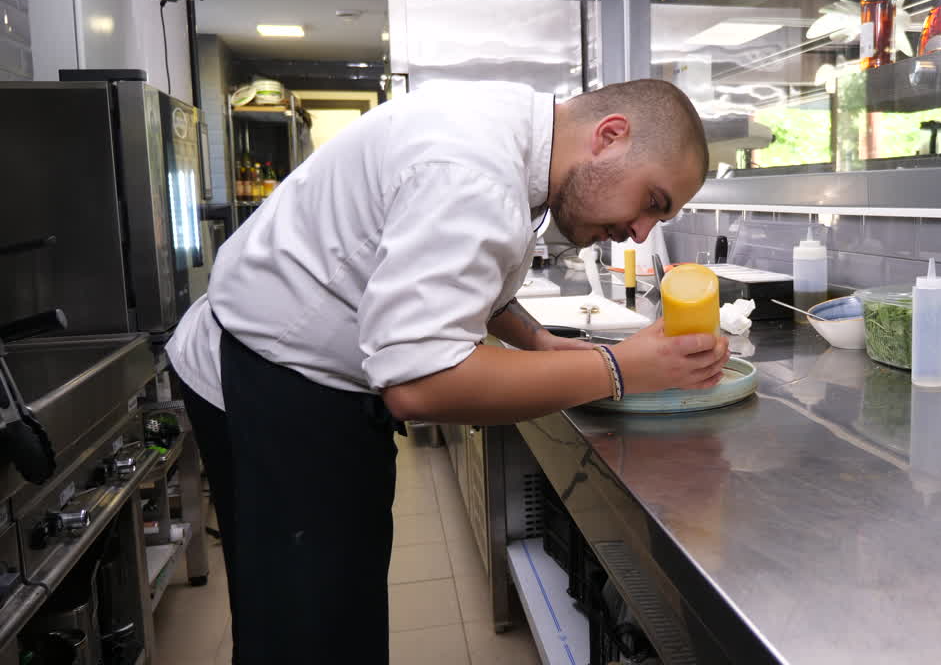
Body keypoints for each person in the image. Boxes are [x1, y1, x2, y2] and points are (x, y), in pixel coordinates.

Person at [165, 78, 727, 664]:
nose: (641, 232)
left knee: (338, 616)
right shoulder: (473, 171)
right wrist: (619, 368)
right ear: (610, 137)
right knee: (311, 638)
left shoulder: (504, 136)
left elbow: (462, 278)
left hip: (305, 374)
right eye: (653, 201)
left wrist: (537, 342)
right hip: (274, 379)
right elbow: (420, 383)